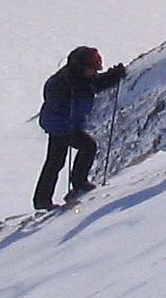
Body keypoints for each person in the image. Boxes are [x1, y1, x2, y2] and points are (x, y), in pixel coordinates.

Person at [35, 46, 127, 211]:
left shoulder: (80, 79)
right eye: (91, 69)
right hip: (60, 126)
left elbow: (95, 84)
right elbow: (56, 98)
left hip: (65, 125)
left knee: (56, 161)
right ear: (80, 67)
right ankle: (76, 184)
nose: (93, 73)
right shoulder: (63, 82)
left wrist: (113, 76)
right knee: (80, 150)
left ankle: (44, 199)